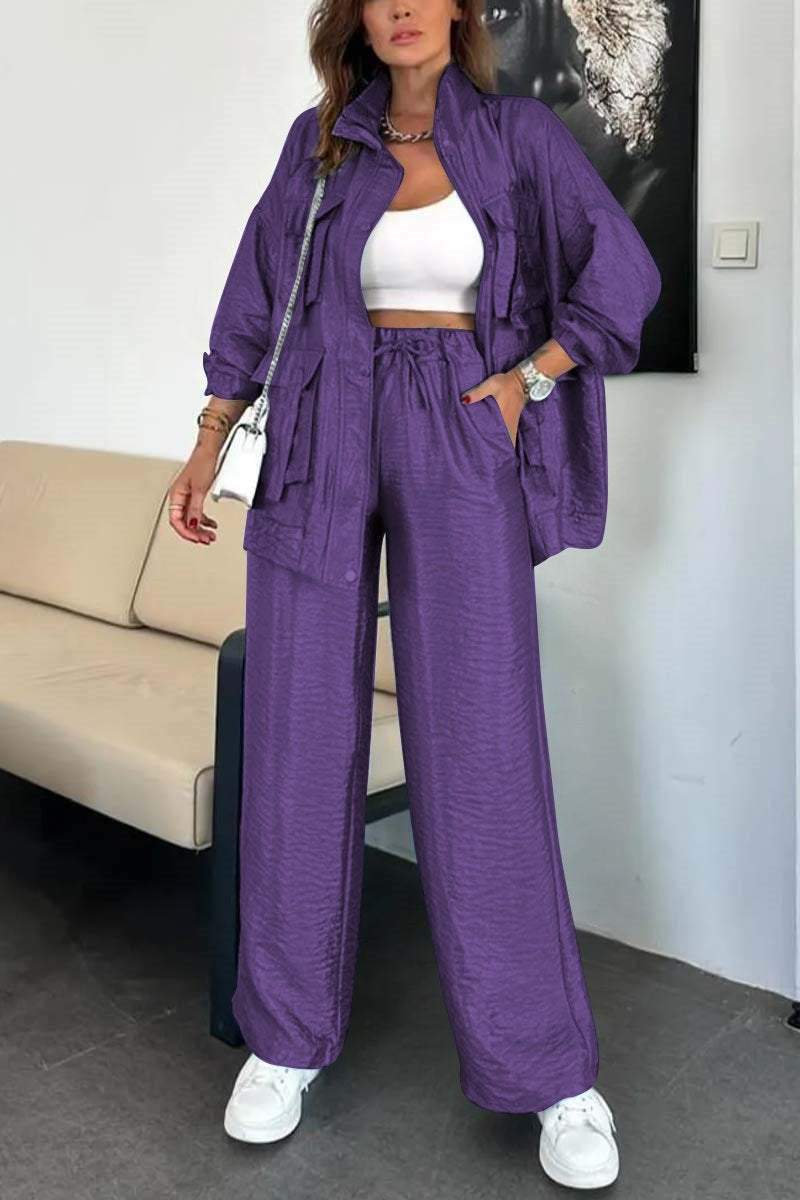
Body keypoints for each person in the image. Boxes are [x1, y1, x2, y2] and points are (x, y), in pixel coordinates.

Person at [169, 0, 660, 1189]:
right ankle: (284, 1040)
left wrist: (530, 378)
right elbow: (254, 295)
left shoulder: (516, 138)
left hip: (457, 419)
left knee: (480, 744)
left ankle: (548, 1072)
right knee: (294, 731)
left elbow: (621, 269)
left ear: (455, 11)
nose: (399, 8)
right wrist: (209, 437)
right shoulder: (317, 144)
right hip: (319, 426)